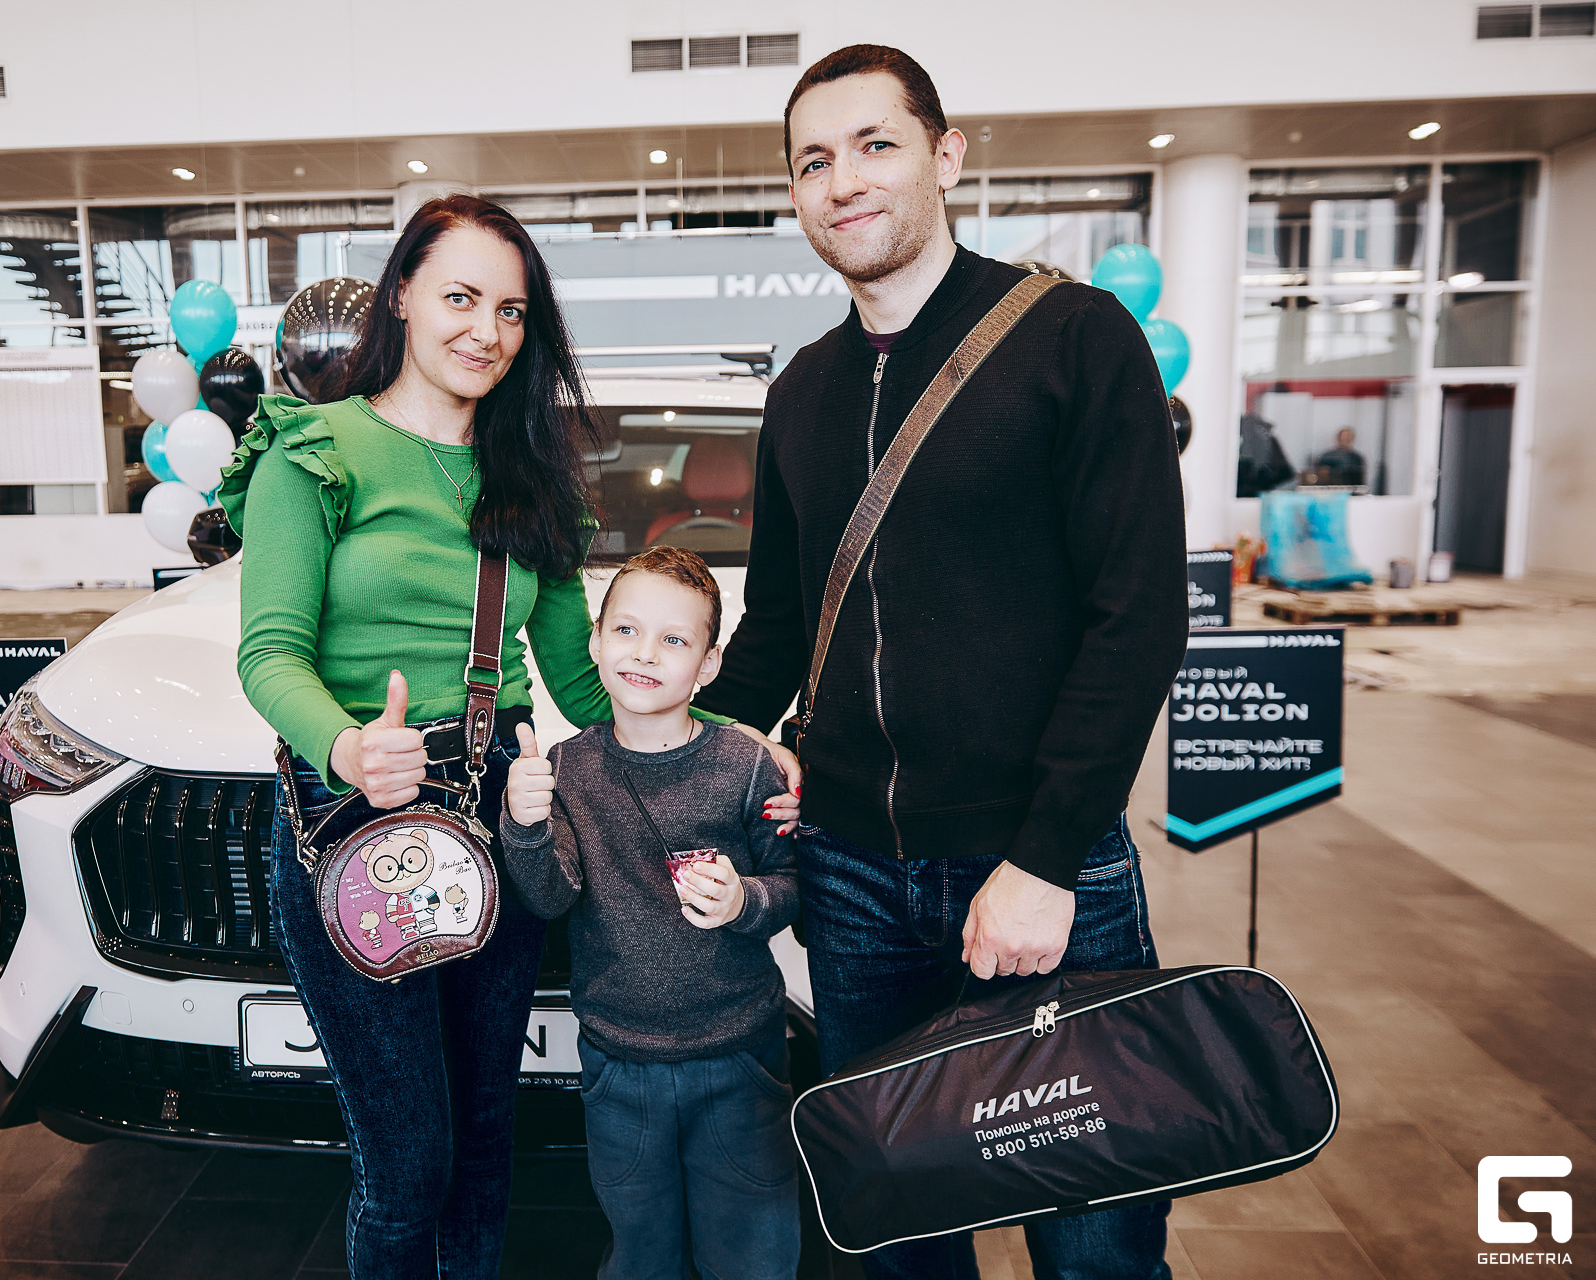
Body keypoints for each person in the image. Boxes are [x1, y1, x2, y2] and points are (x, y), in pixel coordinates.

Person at [222, 194, 801, 1280]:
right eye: (461, 297)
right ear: (401, 293)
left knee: (488, 1136)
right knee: (408, 1166)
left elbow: (588, 683)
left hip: (502, 811)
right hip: (358, 818)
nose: (486, 330)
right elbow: (269, 654)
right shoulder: (317, 448)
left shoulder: (531, 476)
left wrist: (745, 742)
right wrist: (348, 747)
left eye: (512, 310)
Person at [693, 46, 1188, 1280]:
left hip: (1044, 872)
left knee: (1097, 1243)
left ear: (946, 155)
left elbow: (1137, 616)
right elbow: (777, 626)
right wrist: (656, 753)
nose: (844, 180)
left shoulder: (1075, 336)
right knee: (903, 1237)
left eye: (876, 145)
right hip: (852, 878)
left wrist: (1045, 857)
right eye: (814, 160)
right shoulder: (803, 391)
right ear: (794, 193)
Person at [499, 546, 801, 1280]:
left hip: (740, 1057)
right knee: (641, 1252)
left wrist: (745, 900)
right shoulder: (566, 769)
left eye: (674, 639)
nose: (644, 654)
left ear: (708, 664)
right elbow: (551, 897)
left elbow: (794, 884)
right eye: (627, 631)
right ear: (595, 642)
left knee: (754, 1253)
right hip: (618, 1064)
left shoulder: (746, 766)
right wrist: (525, 825)